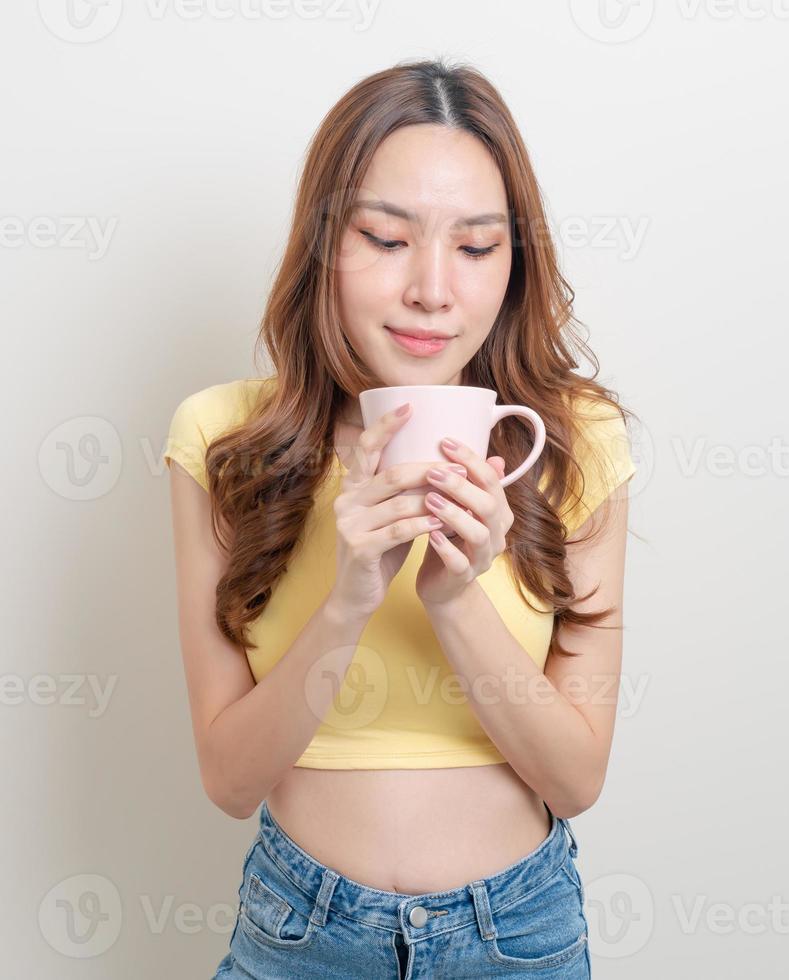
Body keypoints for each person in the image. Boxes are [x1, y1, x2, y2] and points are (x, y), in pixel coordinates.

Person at [165, 57, 637, 979]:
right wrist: (346, 601)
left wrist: (456, 598)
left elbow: (575, 781)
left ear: (514, 261)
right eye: (386, 239)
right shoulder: (221, 442)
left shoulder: (577, 441)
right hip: (299, 933)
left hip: (518, 933)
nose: (432, 289)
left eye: (475, 247)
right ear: (322, 246)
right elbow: (229, 782)